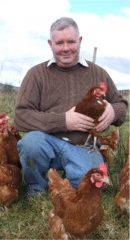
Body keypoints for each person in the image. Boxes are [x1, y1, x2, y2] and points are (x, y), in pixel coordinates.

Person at [14, 17, 128, 196]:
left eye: (71, 42)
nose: (65, 48)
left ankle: (71, 174)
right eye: (59, 43)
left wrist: (114, 112)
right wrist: (64, 121)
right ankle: (37, 188)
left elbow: (121, 104)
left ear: (80, 41)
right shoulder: (36, 74)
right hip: (47, 141)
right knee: (31, 144)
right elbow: (21, 116)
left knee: (87, 186)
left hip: (83, 145)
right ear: (50, 44)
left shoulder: (98, 73)